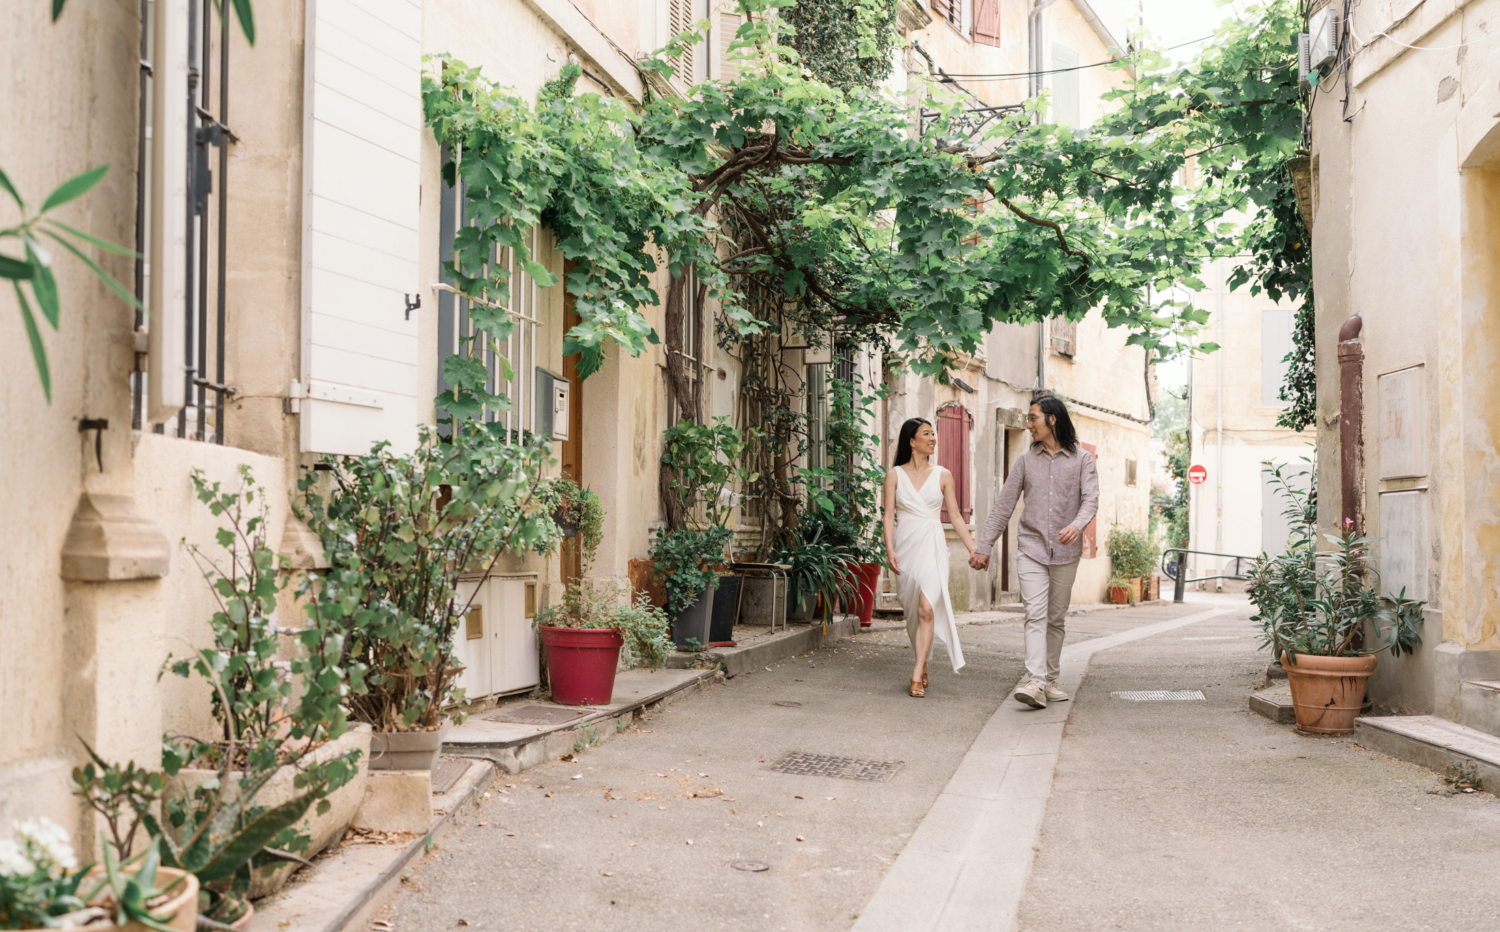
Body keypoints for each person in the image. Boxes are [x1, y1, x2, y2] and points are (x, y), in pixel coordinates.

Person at [968, 395, 1098, 709]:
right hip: (1031, 547)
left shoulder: (1082, 460)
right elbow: (1004, 506)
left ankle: (1050, 680)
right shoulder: (1026, 461)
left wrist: (1077, 525)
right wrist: (984, 547)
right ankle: (1035, 681)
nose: (1028, 425)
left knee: (1055, 618)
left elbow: (1091, 500)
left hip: (1066, 552)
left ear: (1052, 419)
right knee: (1035, 614)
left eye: (1033, 418)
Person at [882, 417, 980, 698]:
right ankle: (922, 661)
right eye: (927, 434)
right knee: (913, 612)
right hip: (906, 548)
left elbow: (958, 518)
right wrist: (889, 548)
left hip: (934, 547)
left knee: (926, 609)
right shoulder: (894, 475)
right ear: (911, 441)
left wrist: (974, 549)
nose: (933, 438)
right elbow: (888, 516)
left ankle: (915, 674)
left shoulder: (943, 475)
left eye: (934, 434)